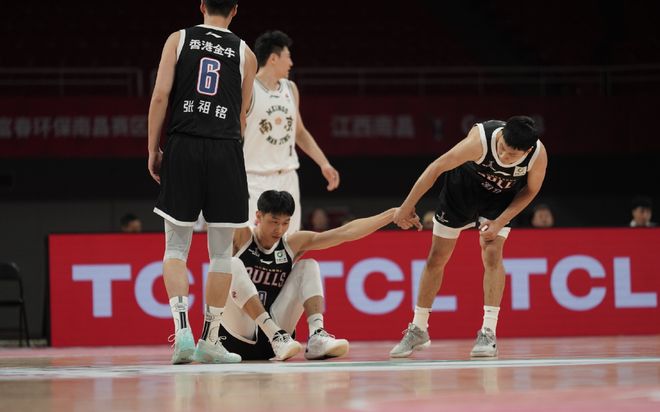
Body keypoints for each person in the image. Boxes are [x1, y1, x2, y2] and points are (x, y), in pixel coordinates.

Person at [147, 0, 257, 364]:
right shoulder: (246, 53)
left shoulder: (178, 39)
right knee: (222, 254)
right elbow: (241, 115)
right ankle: (210, 339)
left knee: (176, 249)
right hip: (225, 148)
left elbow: (160, 96)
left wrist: (153, 149)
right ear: (235, 10)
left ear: (201, 5)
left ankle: (182, 332)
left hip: (184, 143)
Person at [390, 116, 548, 358]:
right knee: (437, 257)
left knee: (493, 253)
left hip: (499, 200)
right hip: (461, 192)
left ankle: (488, 332)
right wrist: (406, 206)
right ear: (502, 135)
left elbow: (531, 190)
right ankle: (419, 328)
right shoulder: (480, 141)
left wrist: (500, 222)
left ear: (526, 151)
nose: (504, 156)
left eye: (511, 155)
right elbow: (436, 168)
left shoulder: (537, 155)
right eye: (502, 149)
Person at [218, 190, 421, 361]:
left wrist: (393, 214)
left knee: (308, 265)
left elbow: (345, 232)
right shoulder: (241, 235)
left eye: (285, 223)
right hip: (237, 336)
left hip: (278, 345)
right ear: (259, 216)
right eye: (274, 222)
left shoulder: (291, 243)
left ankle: (316, 336)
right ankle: (273, 334)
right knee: (231, 264)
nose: (279, 229)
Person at [243, 30, 340, 233]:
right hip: (255, 179)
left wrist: (324, 163)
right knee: (255, 242)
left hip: (287, 177)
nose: (291, 63)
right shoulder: (248, 90)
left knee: (290, 242)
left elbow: (300, 133)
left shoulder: (290, 89)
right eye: (287, 57)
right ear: (273, 58)